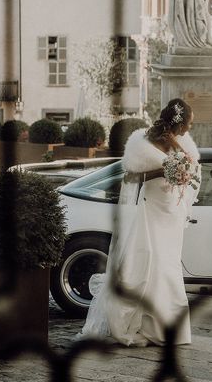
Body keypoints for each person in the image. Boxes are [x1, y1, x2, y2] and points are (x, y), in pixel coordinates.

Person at [79, 98, 200, 346]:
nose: (189, 129)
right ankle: (138, 325)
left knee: (169, 267)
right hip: (150, 212)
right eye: (188, 123)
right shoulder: (142, 142)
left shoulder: (183, 143)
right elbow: (130, 175)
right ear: (178, 123)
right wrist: (163, 170)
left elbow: (191, 172)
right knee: (147, 267)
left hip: (171, 214)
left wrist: (182, 174)